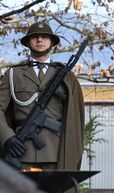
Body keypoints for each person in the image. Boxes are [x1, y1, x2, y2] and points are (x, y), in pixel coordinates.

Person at [0, 22, 85, 173]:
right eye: (35, 37)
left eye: (44, 37)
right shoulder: (13, 74)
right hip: (20, 152)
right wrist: (8, 138)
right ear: (28, 42)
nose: (40, 40)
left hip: (56, 152)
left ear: (52, 42)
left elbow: (76, 117)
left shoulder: (66, 77)